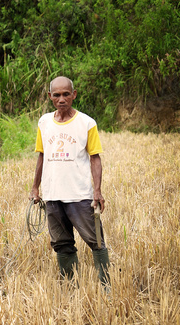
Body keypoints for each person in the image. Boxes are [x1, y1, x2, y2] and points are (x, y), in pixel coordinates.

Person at [29, 76, 110, 287]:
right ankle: (70, 287)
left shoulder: (87, 123)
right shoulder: (44, 122)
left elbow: (95, 158)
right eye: (56, 95)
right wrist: (35, 187)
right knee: (61, 244)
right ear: (50, 97)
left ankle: (106, 287)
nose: (62, 99)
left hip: (80, 195)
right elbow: (41, 156)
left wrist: (98, 191)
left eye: (66, 94)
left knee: (96, 241)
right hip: (53, 195)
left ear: (74, 95)